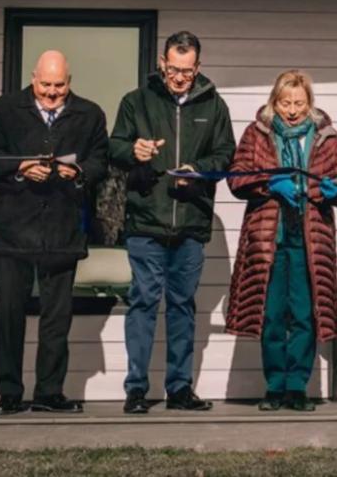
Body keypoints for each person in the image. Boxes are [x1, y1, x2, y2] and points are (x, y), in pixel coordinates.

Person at [109, 31, 236, 414]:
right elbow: (113, 146)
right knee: (143, 304)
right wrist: (135, 150)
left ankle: (180, 388)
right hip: (146, 219)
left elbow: (226, 153)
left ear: (198, 67)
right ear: (163, 63)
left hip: (191, 224)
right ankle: (136, 389)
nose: (179, 77)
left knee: (182, 305)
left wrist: (197, 170)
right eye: (173, 69)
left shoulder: (214, 106)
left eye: (187, 71)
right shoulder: (136, 101)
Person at [0, 50, 108, 415]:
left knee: (56, 317)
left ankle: (49, 392)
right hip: (13, 230)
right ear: (33, 78)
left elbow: (101, 160)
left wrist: (79, 171)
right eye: (45, 85)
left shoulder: (90, 113)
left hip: (62, 228)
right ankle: (8, 394)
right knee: (9, 315)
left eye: (59, 86)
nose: (51, 93)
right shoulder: (5, 109)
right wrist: (20, 167)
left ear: (70, 81)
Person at [225, 70, 337, 411]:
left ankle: (297, 386)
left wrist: (335, 190)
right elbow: (236, 178)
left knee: (303, 315)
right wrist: (269, 184)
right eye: (285, 103)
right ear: (274, 101)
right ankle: (274, 386)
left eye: (299, 103)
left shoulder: (327, 136)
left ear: (309, 103)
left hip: (311, 241)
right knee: (270, 315)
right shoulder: (257, 133)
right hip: (269, 239)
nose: (292, 110)